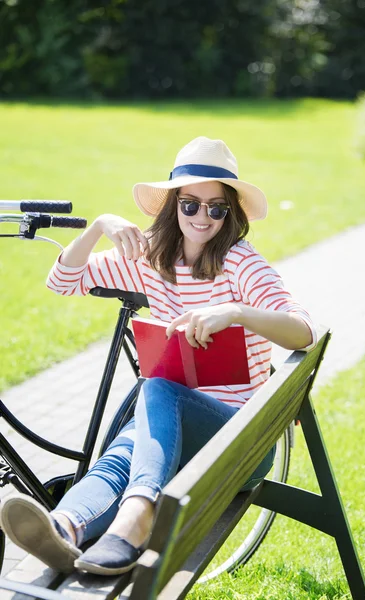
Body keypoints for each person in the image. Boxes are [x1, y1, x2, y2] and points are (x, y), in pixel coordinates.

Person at [0, 137, 316, 576]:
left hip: (237, 442)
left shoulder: (242, 264)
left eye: (216, 208)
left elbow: (303, 331)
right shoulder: (152, 256)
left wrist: (237, 311)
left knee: (158, 389)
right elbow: (62, 281)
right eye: (190, 205)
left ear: (230, 215)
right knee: (121, 455)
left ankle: (138, 516)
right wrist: (98, 226)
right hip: (168, 432)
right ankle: (62, 529)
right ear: (173, 205)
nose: (201, 217)